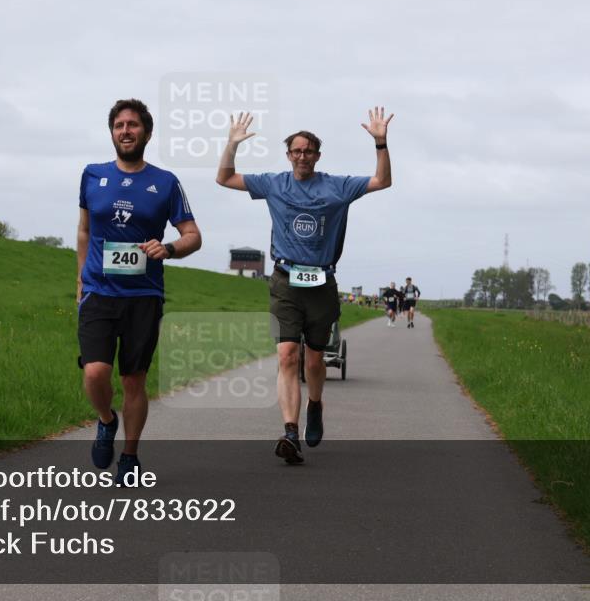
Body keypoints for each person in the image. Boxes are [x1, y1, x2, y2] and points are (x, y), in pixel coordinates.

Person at [215, 107, 393, 464]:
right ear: (288, 155)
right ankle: (290, 432)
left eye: (308, 151)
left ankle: (315, 404)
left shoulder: (337, 186)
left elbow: (382, 181)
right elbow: (225, 179)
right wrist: (231, 144)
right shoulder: (274, 183)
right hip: (285, 281)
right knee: (287, 355)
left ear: (317, 156)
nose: (301, 156)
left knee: (314, 360)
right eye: (296, 151)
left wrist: (380, 142)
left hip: (322, 282)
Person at [77, 98, 202, 484]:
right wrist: (81, 280)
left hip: (143, 297)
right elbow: (84, 230)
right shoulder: (92, 175)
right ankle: (105, 419)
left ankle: (129, 457)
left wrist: (167, 249)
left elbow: (193, 236)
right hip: (98, 292)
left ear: (146, 132)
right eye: (119, 125)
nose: (126, 131)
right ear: (112, 132)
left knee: (133, 380)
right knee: (96, 372)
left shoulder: (165, 182)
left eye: (133, 125)